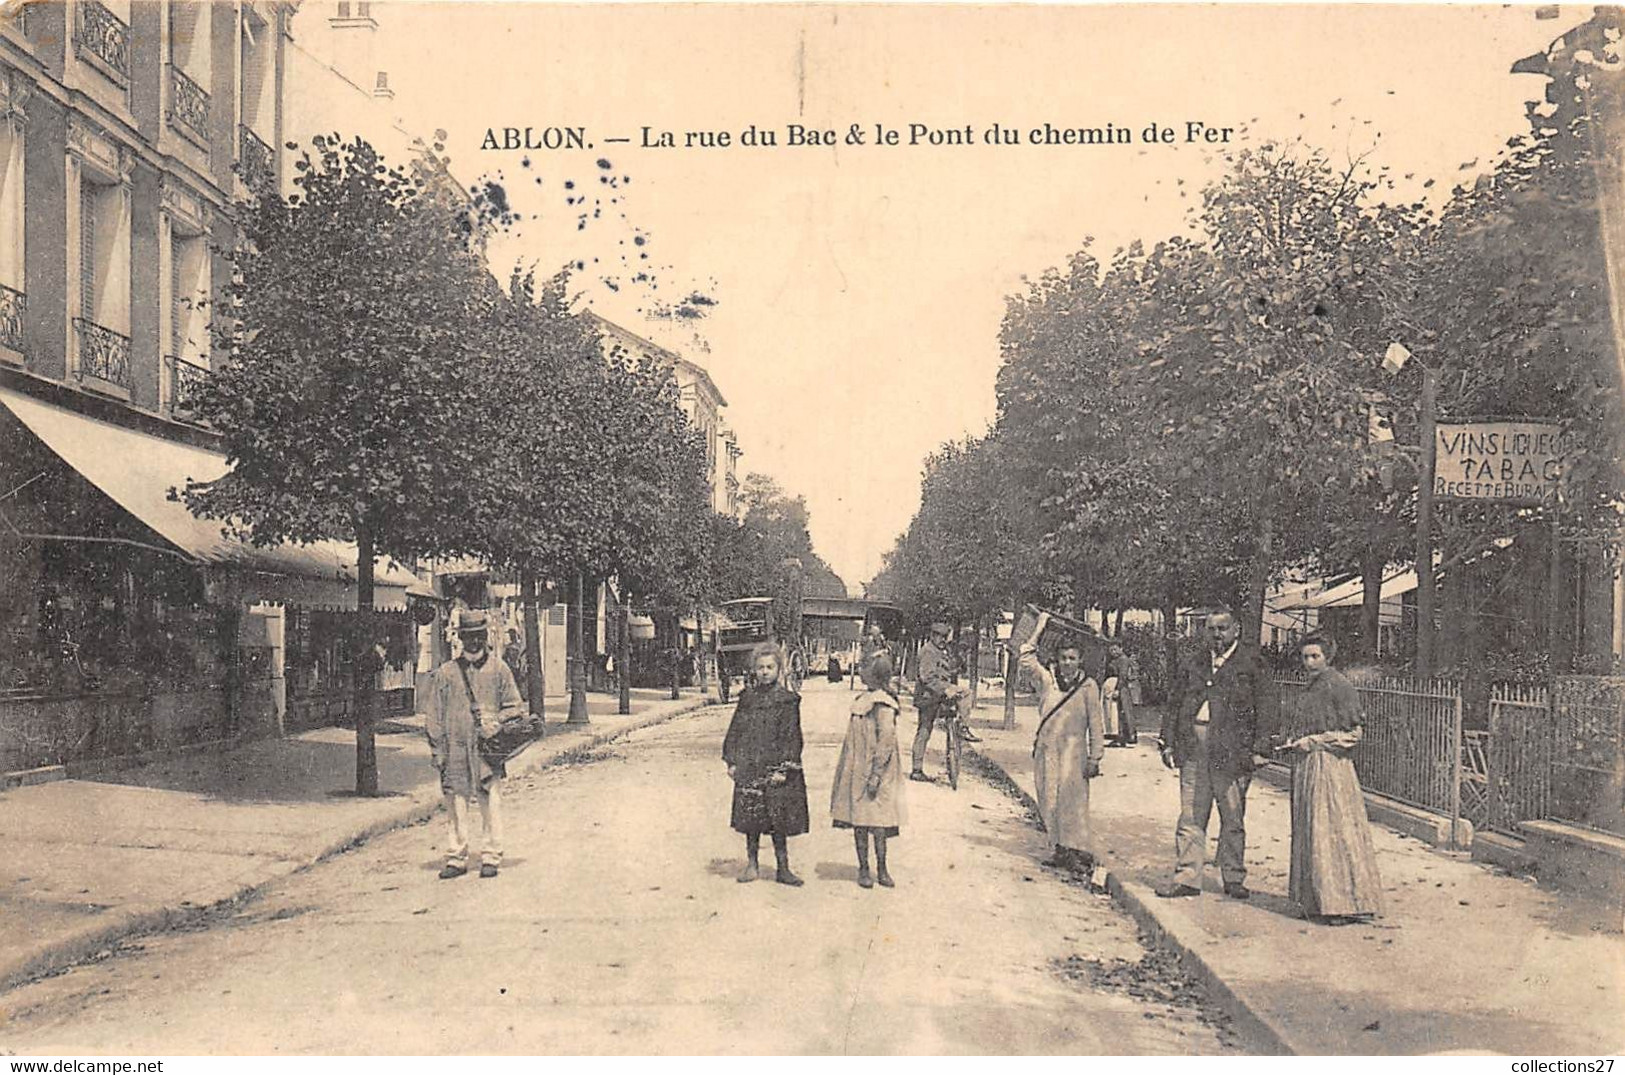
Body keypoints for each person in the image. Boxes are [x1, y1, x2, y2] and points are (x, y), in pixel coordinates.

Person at [1156, 606, 1277, 900]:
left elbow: (1267, 707)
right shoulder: (1193, 663)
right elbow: (1174, 703)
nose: (1217, 635)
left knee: (1232, 816)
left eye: (1222, 628)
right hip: (1194, 746)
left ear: (1236, 629)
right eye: (1211, 629)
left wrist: (1261, 747)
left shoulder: (1251, 664)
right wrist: (1168, 741)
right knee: (1191, 815)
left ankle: (1233, 877)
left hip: (1232, 751)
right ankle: (1187, 877)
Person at [1281, 634, 1384, 924]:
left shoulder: (1339, 684)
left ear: (1328, 657)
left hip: (1330, 768)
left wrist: (1314, 741)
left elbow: (1353, 733)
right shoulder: (1310, 687)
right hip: (1307, 766)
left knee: (1332, 831)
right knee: (1312, 832)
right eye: (1305, 657)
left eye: (1315, 656)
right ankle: (1317, 901)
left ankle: (1343, 903)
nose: (1310, 662)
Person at [424, 608, 527, 880]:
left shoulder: (499, 669)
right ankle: (457, 857)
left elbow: (516, 707)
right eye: (469, 636)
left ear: (486, 637)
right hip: (455, 748)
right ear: (460, 639)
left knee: (490, 801)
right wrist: (437, 750)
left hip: (486, 750)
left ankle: (491, 856)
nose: (474, 642)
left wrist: (497, 719)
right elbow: (434, 715)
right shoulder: (445, 673)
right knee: (456, 803)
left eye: (479, 636)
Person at [1019, 627, 1107, 875]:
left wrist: (1095, 756)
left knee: (1074, 802)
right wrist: (1039, 627)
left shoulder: (1088, 686)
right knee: (1049, 798)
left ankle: (1075, 850)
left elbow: (1096, 723)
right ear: (1056, 659)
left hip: (1074, 751)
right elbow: (1025, 658)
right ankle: (1059, 849)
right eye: (1063, 658)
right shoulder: (1048, 681)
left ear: (1080, 659)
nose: (1067, 663)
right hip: (1047, 749)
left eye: (1072, 658)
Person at [721, 642, 809, 886]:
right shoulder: (747, 699)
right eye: (760, 667)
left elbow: (793, 736)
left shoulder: (787, 701)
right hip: (750, 764)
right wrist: (731, 760)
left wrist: (785, 768)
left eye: (770, 667)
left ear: (779, 669)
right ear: (754, 670)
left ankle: (783, 868)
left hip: (775, 768)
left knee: (778, 818)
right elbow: (735, 730)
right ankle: (752, 864)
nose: (765, 672)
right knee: (752, 817)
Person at [831, 653, 905, 888]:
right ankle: (863, 868)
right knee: (860, 821)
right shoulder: (863, 699)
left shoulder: (883, 704)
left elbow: (886, 741)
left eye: (863, 668)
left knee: (879, 822)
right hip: (857, 768)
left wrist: (876, 773)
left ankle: (882, 868)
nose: (859, 671)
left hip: (877, 772)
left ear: (875, 675)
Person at [910, 621, 976, 781]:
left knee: (965, 694)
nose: (943, 640)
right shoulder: (928, 651)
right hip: (927, 696)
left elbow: (945, 671)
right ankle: (916, 770)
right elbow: (927, 677)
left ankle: (962, 728)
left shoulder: (941, 651)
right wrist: (945, 689)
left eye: (944, 637)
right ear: (932, 635)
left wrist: (958, 666)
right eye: (939, 636)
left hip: (940, 694)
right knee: (924, 730)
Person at [1107, 643, 1141, 746]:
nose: (1113, 652)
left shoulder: (1123, 660)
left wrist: (1118, 689)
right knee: (1120, 712)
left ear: (1121, 649)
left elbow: (1123, 675)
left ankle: (1129, 736)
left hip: (1123, 688)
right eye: (1111, 650)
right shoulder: (1116, 660)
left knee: (1125, 711)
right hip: (1120, 686)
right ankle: (1123, 736)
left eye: (1115, 649)